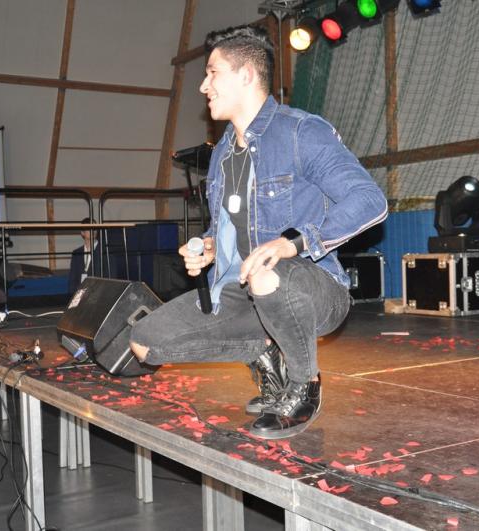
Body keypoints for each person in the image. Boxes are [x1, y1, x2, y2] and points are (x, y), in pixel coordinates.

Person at [129, 25, 387, 439]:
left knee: (267, 271)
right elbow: (227, 224)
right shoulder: (221, 155)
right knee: (145, 343)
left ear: (246, 74)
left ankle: (303, 384)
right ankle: (266, 354)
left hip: (314, 290)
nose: (203, 86)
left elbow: (370, 200)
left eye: (212, 73)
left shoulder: (301, 132)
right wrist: (208, 246)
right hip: (243, 291)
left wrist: (293, 243)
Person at [68, 218, 101, 294]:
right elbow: (72, 280)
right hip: (80, 294)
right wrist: (72, 296)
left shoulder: (104, 251)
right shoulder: (76, 253)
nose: (93, 231)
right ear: (82, 233)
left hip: (97, 294)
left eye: (95, 228)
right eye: (89, 228)